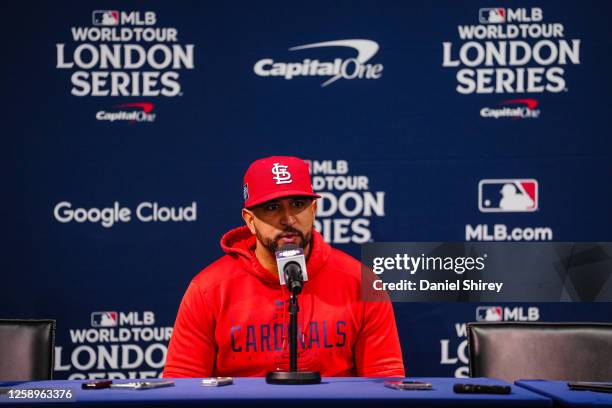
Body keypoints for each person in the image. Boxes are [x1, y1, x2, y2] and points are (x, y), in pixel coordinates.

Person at [163, 156, 405, 377]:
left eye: (298, 204)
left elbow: (384, 382)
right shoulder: (208, 290)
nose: (288, 219)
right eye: (272, 207)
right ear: (249, 220)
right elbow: (183, 387)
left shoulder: (361, 282)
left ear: (314, 210)